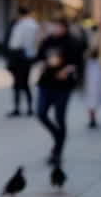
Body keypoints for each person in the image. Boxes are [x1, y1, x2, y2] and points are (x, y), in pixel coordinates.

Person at [36, 18, 83, 165]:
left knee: (59, 117)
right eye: (54, 26)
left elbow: (77, 62)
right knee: (41, 113)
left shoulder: (72, 42)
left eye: (58, 26)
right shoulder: (47, 41)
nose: (55, 29)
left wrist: (67, 70)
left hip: (63, 86)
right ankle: (58, 136)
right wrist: (42, 64)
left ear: (64, 28)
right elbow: (39, 57)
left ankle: (57, 152)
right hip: (45, 83)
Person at [5, 6, 39, 116]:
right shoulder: (33, 25)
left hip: (19, 55)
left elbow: (16, 43)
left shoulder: (22, 25)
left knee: (18, 83)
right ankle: (28, 108)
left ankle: (18, 108)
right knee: (24, 83)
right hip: (26, 56)